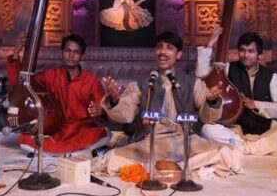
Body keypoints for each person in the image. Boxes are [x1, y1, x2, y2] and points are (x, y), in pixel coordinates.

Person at [97, 31, 242, 179]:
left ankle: (161, 168)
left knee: (225, 152)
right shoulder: (143, 84)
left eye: (169, 48)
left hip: (185, 141)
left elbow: (207, 117)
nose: (163, 52)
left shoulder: (192, 83)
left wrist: (211, 101)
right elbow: (125, 115)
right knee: (113, 158)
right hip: (152, 141)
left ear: (178, 54)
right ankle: (183, 168)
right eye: (159, 47)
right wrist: (115, 100)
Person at [198, 26, 277, 155]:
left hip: (266, 132)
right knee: (207, 129)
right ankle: (259, 148)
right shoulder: (228, 69)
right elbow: (202, 74)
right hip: (236, 132)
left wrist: (256, 105)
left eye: (250, 51)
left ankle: (245, 149)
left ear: (260, 54)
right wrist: (210, 44)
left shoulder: (271, 76)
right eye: (242, 50)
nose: (246, 55)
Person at [6, 33, 110, 155]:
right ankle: (75, 153)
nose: (71, 55)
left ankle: (54, 153)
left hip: (81, 131)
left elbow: (104, 110)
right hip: (55, 131)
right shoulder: (50, 75)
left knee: (104, 133)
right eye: (68, 51)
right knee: (24, 139)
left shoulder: (91, 81)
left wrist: (102, 111)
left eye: (76, 52)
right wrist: (16, 52)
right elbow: (21, 85)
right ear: (62, 53)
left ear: (82, 56)